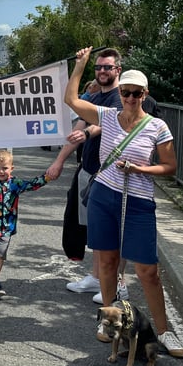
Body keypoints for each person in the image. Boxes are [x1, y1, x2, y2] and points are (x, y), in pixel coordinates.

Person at [63, 46, 183, 358]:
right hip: (105, 195)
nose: (130, 99)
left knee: (148, 271)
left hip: (139, 200)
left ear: (145, 94)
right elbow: (71, 100)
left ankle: (164, 331)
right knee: (106, 261)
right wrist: (81, 65)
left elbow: (170, 168)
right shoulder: (106, 115)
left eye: (136, 94)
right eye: (126, 93)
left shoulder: (158, 127)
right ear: (120, 93)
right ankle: (109, 322)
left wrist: (141, 169)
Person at [47, 48, 130, 307]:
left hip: (112, 174)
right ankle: (97, 277)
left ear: (118, 70)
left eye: (108, 67)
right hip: (90, 170)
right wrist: (59, 161)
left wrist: (87, 135)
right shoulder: (95, 96)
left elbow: (105, 124)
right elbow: (79, 125)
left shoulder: (121, 97)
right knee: (95, 229)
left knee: (114, 231)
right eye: (99, 67)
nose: (103, 71)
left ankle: (118, 284)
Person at [0, 149, 50, 295]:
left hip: (6, 227)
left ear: (12, 168)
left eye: (5, 168)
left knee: (0, 252)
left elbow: (31, 184)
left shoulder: (14, 183)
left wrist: (46, 177)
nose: (1, 171)